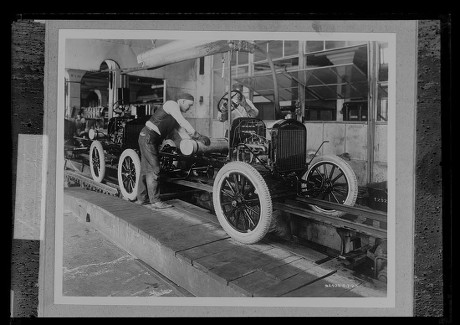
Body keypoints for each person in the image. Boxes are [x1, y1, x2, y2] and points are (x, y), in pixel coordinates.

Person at [137, 93, 210, 209]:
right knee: (154, 169)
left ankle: (141, 199)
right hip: (148, 137)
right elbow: (182, 121)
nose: (189, 108)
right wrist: (198, 135)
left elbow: (183, 133)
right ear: (182, 101)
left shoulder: (173, 116)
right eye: (189, 105)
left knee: (145, 169)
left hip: (147, 137)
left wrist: (194, 143)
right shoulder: (172, 105)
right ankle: (155, 201)